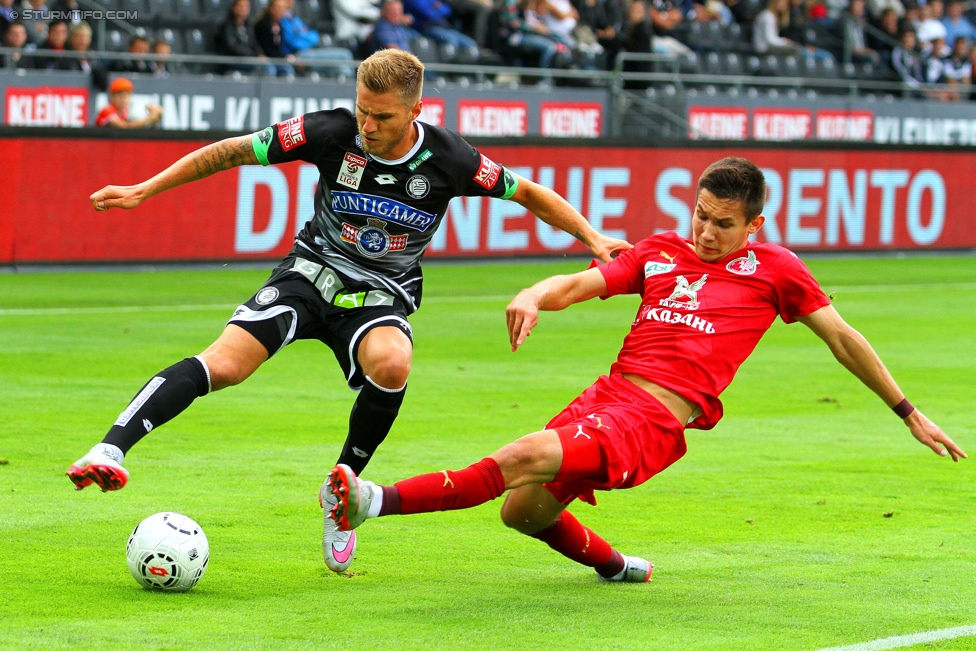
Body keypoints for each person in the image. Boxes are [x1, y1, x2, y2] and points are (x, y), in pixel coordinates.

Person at [67, 49, 629, 577]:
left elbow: (527, 192)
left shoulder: (450, 158)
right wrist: (147, 188)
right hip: (310, 272)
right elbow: (233, 150)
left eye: (382, 116)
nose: (368, 124)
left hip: (382, 291)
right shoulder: (331, 131)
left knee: (393, 364)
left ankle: (343, 493)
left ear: (416, 111)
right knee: (226, 364)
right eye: (362, 109)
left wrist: (592, 236)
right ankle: (110, 448)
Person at [324, 156, 966, 582]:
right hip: (608, 395)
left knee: (521, 454)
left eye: (723, 224)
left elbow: (843, 338)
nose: (706, 232)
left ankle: (371, 502)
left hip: (655, 421)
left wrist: (907, 411)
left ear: (755, 224)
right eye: (700, 216)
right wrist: (533, 294)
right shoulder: (660, 252)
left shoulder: (777, 270)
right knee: (520, 512)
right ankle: (616, 566)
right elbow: (581, 282)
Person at [216, 0, 282, 76]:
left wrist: (260, 54)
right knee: (267, 68)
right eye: (241, 6)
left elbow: (254, 43)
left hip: (250, 59)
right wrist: (254, 55)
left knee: (283, 68)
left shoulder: (248, 26)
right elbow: (232, 47)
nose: (243, 9)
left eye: (246, 7)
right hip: (235, 61)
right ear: (234, 8)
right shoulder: (227, 26)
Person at [94, 77, 163, 128]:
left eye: (127, 95)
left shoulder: (125, 111)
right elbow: (125, 126)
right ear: (112, 96)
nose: (124, 99)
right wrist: (150, 118)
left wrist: (155, 116)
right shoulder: (107, 110)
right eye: (121, 95)